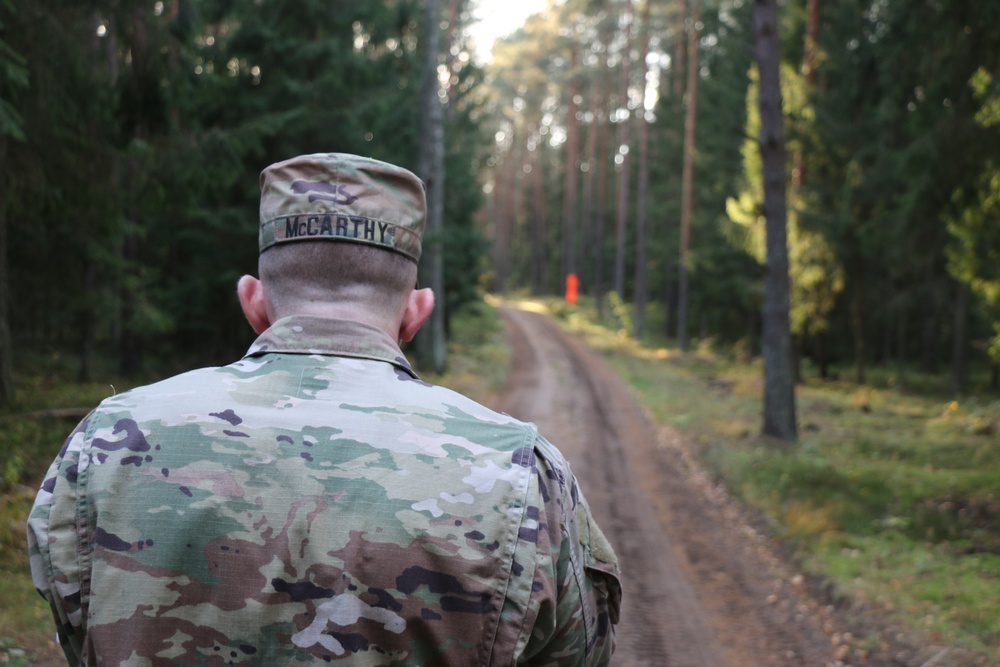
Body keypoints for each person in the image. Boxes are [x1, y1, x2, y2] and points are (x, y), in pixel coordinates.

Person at [27, 153, 621, 666]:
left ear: (253, 302)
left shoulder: (106, 445)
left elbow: (81, 637)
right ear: (417, 312)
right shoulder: (520, 476)